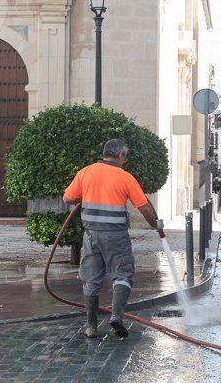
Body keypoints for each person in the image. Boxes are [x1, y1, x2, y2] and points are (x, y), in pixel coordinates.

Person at [63, 138, 164, 339]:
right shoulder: (125, 177)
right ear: (120, 156)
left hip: (91, 236)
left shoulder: (85, 172)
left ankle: (91, 327)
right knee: (123, 275)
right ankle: (117, 316)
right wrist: (156, 224)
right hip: (116, 237)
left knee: (90, 279)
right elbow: (143, 206)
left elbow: (67, 198)